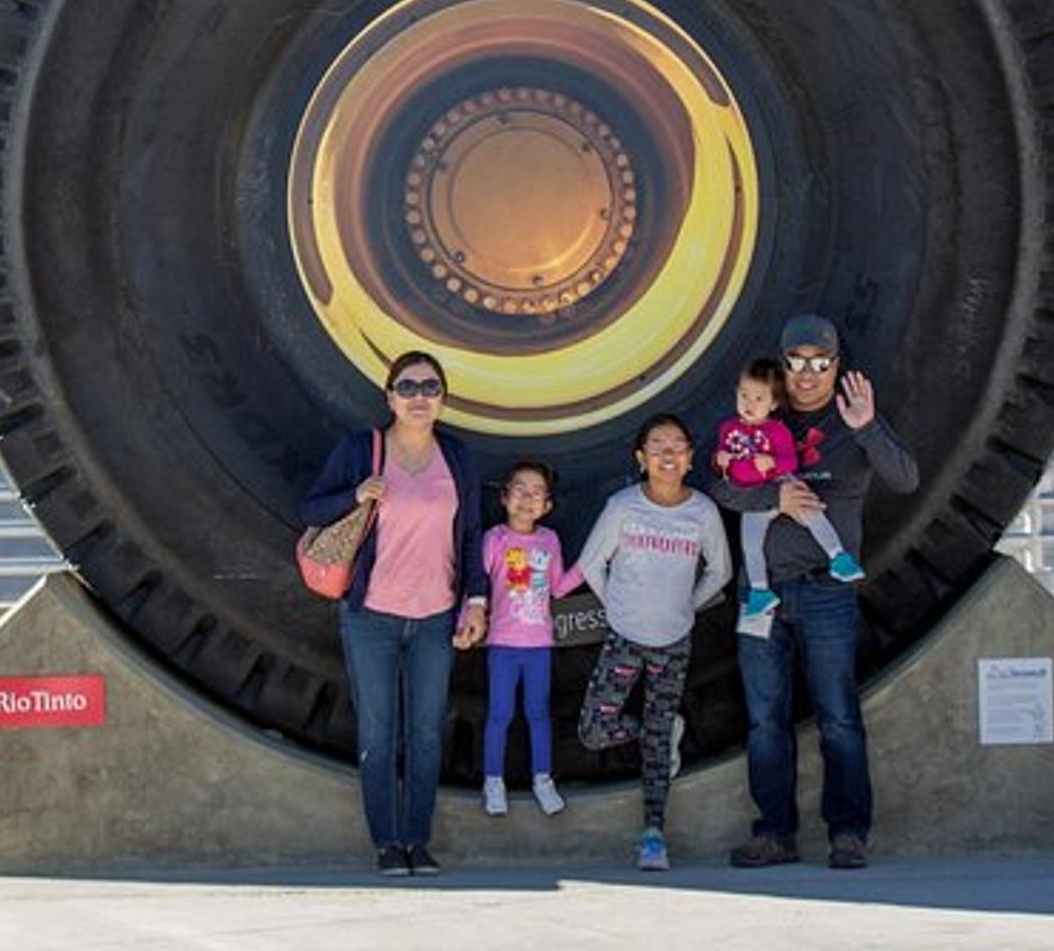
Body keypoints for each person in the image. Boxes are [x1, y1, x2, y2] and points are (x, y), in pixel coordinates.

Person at [712, 314, 918, 871]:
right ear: (783, 367)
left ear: (836, 365)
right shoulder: (756, 418)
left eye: (819, 363)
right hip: (764, 596)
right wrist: (771, 502)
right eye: (796, 363)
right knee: (764, 721)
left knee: (838, 717)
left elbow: (905, 479)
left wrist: (869, 426)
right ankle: (774, 834)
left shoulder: (853, 421)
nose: (807, 374)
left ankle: (848, 833)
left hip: (828, 594)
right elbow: (721, 489)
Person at [298, 350, 489, 877]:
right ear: (389, 398)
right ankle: (387, 843)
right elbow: (310, 511)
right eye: (407, 388)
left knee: (427, 735)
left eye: (430, 387)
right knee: (378, 735)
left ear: (443, 399)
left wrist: (476, 600)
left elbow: (472, 534)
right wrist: (356, 494)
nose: (419, 397)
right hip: (371, 616)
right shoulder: (363, 450)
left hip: (435, 616)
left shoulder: (458, 457)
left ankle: (418, 841)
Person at [574, 413, 732, 870]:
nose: (668, 453)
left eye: (677, 445)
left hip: (674, 641)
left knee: (659, 746)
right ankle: (657, 736)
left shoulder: (702, 511)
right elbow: (590, 564)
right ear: (641, 458)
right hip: (624, 638)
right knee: (594, 730)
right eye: (657, 446)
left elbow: (719, 571)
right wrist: (616, 607)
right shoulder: (623, 507)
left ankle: (653, 837)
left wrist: (688, 605)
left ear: (689, 458)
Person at [715, 357, 864, 638]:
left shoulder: (777, 430)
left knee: (811, 512)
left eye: (758, 398)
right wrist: (719, 459)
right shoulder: (728, 429)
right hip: (755, 496)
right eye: (743, 395)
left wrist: (771, 463)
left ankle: (838, 557)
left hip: (780, 481)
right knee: (751, 544)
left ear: (772, 404)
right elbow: (723, 467)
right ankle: (760, 591)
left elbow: (790, 462)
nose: (749, 403)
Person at [478, 460, 584, 818]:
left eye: (537, 493)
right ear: (505, 498)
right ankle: (494, 781)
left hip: (539, 643)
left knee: (539, 714)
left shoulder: (549, 540)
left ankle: (543, 779)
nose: (528, 499)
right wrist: (467, 621)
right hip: (503, 643)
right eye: (520, 490)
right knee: (499, 714)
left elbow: (556, 587)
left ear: (548, 506)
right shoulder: (495, 539)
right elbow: (477, 588)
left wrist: (587, 568)